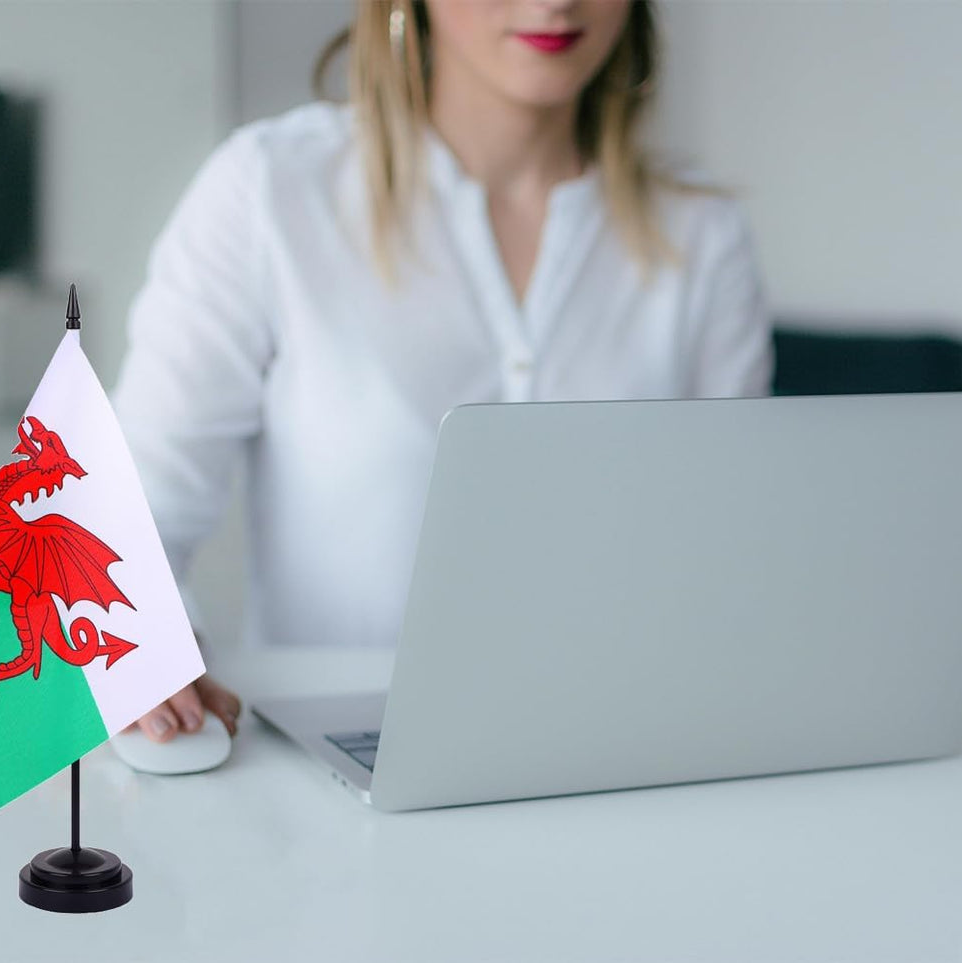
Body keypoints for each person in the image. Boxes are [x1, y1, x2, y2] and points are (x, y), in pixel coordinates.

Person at [113, 0, 773, 743]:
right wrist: (146, 646)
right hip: (336, 768)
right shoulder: (270, 190)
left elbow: (729, 552)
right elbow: (129, 513)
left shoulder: (702, 234)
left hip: (617, 748)